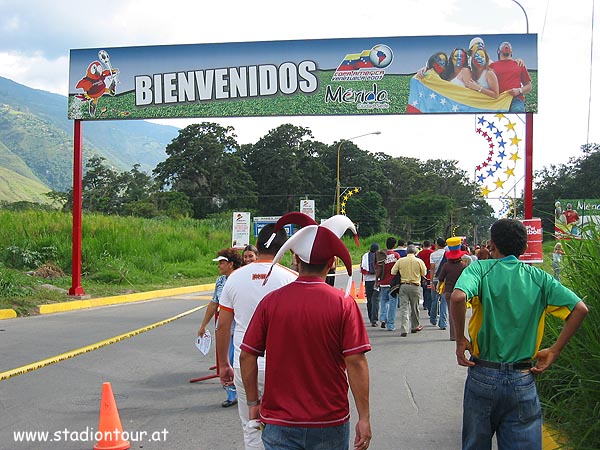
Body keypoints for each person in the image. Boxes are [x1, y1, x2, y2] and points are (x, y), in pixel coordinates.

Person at [450, 218, 588, 450]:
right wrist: (554, 350)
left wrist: (460, 339)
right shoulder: (540, 278)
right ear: (524, 249)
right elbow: (580, 309)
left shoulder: (480, 269)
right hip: (522, 377)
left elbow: (458, 297)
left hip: (483, 372)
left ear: (491, 245)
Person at [240, 223, 372, 450]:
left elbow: (247, 356)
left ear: (297, 261)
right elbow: (356, 362)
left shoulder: (270, 302)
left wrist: (253, 402)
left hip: (279, 421)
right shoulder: (343, 304)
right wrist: (364, 417)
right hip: (329, 421)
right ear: (331, 264)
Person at [216, 224, 297, 450]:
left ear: (258, 246)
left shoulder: (235, 278)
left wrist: (223, 364)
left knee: (251, 425)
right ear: (284, 249)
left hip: (244, 364)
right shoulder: (291, 278)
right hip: (282, 366)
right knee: (284, 426)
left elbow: (223, 327)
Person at [198, 248, 243, 407]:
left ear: (231, 264)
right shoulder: (220, 281)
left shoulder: (242, 278)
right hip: (225, 328)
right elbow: (213, 303)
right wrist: (203, 325)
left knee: (237, 359)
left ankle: (246, 390)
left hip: (241, 327)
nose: (219, 266)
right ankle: (232, 394)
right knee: (227, 360)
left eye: (222, 262)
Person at [391, 244, 427, 337]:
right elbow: (424, 273)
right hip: (415, 286)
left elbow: (393, 272)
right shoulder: (419, 261)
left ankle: (404, 329)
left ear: (406, 252)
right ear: (415, 252)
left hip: (403, 286)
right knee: (415, 307)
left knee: (404, 308)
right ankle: (415, 326)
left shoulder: (400, 261)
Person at [437, 241, 467, 341]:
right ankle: (460, 334)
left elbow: (440, 278)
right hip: (461, 291)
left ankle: (453, 335)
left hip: (449, 292)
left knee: (451, 313)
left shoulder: (446, 266)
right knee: (461, 314)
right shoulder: (463, 265)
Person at [490, 41, 532, 113]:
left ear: (511, 51)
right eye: (503, 45)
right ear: (498, 51)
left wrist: (519, 91)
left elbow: (529, 86)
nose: (506, 45)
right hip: (498, 100)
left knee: (517, 113)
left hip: (515, 100)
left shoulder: (519, 64)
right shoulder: (492, 66)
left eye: (509, 45)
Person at [378, 237, 401, 330]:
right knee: (393, 303)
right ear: (394, 245)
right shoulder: (396, 255)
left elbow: (378, 268)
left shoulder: (382, 255)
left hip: (383, 282)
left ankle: (383, 318)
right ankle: (390, 325)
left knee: (383, 300)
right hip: (393, 284)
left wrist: (377, 280)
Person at [429, 237, 447, 327]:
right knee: (444, 301)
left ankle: (433, 319)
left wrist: (431, 282)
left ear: (437, 244)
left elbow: (432, 268)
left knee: (434, 300)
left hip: (435, 280)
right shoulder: (447, 254)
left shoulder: (433, 255)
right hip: (444, 280)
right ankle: (443, 323)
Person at [361, 243, 380, 327]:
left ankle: (370, 317)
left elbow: (362, 269)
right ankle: (374, 319)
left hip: (368, 281)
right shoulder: (379, 256)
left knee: (369, 299)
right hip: (376, 281)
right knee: (375, 300)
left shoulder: (365, 256)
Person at [416, 239, 434, 314]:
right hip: (430, 272)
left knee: (424, 288)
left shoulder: (420, 254)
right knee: (429, 290)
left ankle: (425, 304)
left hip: (422, 273)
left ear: (423, 246)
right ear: (430, 246)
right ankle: (428, 304)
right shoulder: (432, 253)